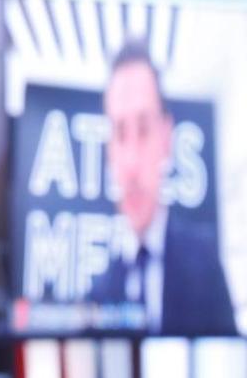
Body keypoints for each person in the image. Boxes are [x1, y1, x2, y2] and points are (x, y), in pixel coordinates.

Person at [89, 42, 236, 334]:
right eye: (120, 133)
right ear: (109, 150)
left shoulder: (205, 265)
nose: (131, 163)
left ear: (166, 137)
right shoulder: (99, 292)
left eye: (143, 130)